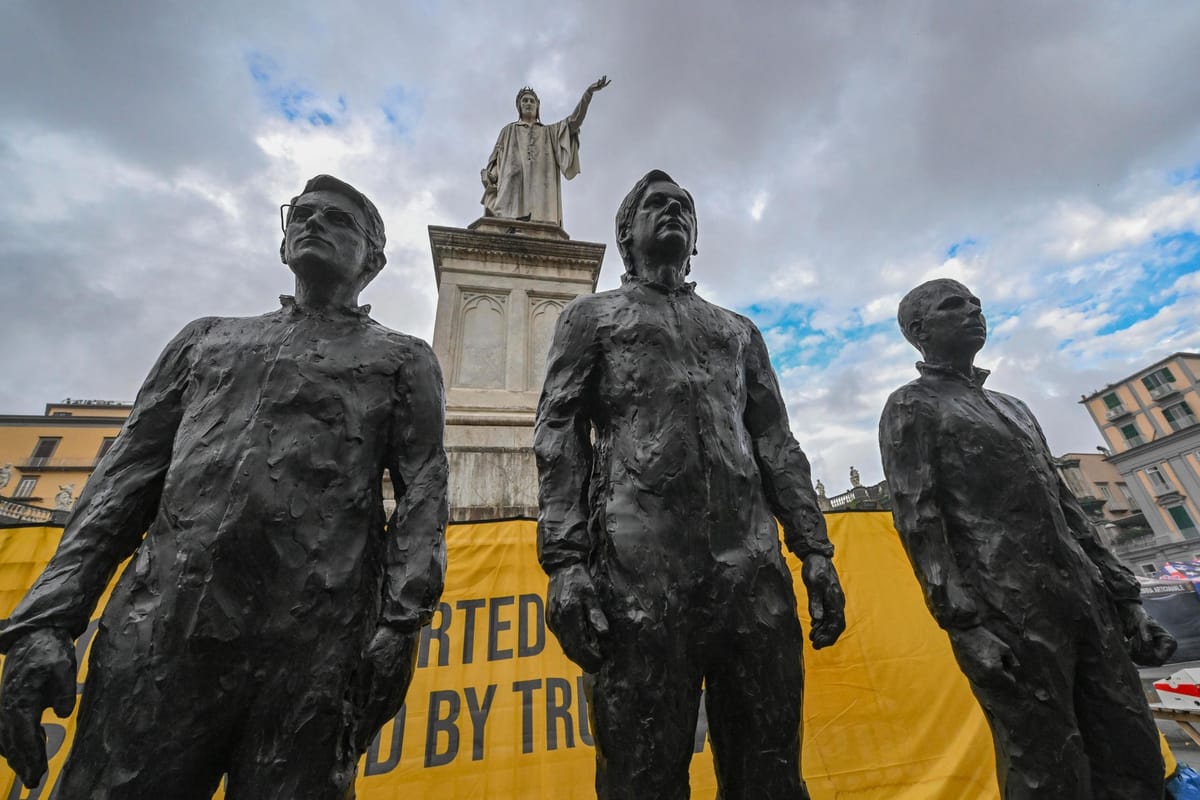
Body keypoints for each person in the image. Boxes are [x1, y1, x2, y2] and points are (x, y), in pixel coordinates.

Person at [0, 175, 449, 799]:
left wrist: (401, 627)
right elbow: (121, 483)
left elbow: (423, 494)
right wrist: (45, 624)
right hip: (161, 629)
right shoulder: (205, 339)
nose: (313, 222)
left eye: (338, 219)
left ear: (372, 260)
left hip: (316, 648)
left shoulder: (403, 359)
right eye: (303, 213)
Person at [534, 169, 845, 800]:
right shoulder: (589, 319)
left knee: (772, 772)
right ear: (627, 233)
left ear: (696, 235)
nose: (672, 211)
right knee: (642, 777)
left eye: (683, 207)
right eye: (655, 205)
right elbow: (557, 435)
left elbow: (777, 442)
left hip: (753, 573)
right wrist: (565, 564)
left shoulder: (737, 330)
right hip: (639, 575)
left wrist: (814, 549)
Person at [879, 278, 1176, 799]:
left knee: (1133, 750)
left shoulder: (1014, 406)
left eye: (976, 302)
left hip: (1087, 600)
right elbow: (920, 522)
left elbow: (1068, 508)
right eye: (956, 305)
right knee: (1044, 765)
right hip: (1009, 609)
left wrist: (1126, 600)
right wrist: (964, 627)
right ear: (919, 330)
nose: (974, 310)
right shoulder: (911, 406)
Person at [480, 77, 609, 226]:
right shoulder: (508, 131)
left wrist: (588, 94)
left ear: (537, 106)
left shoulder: (549, 132)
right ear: (519, 107)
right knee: (503, 218)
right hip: (511, 189)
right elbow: (497, 160)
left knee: (540, 219)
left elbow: (574, 121)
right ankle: (504, 222)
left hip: (541, 193)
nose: (528, 103)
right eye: (525, 101)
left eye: (532, 101)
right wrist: (491, 176)